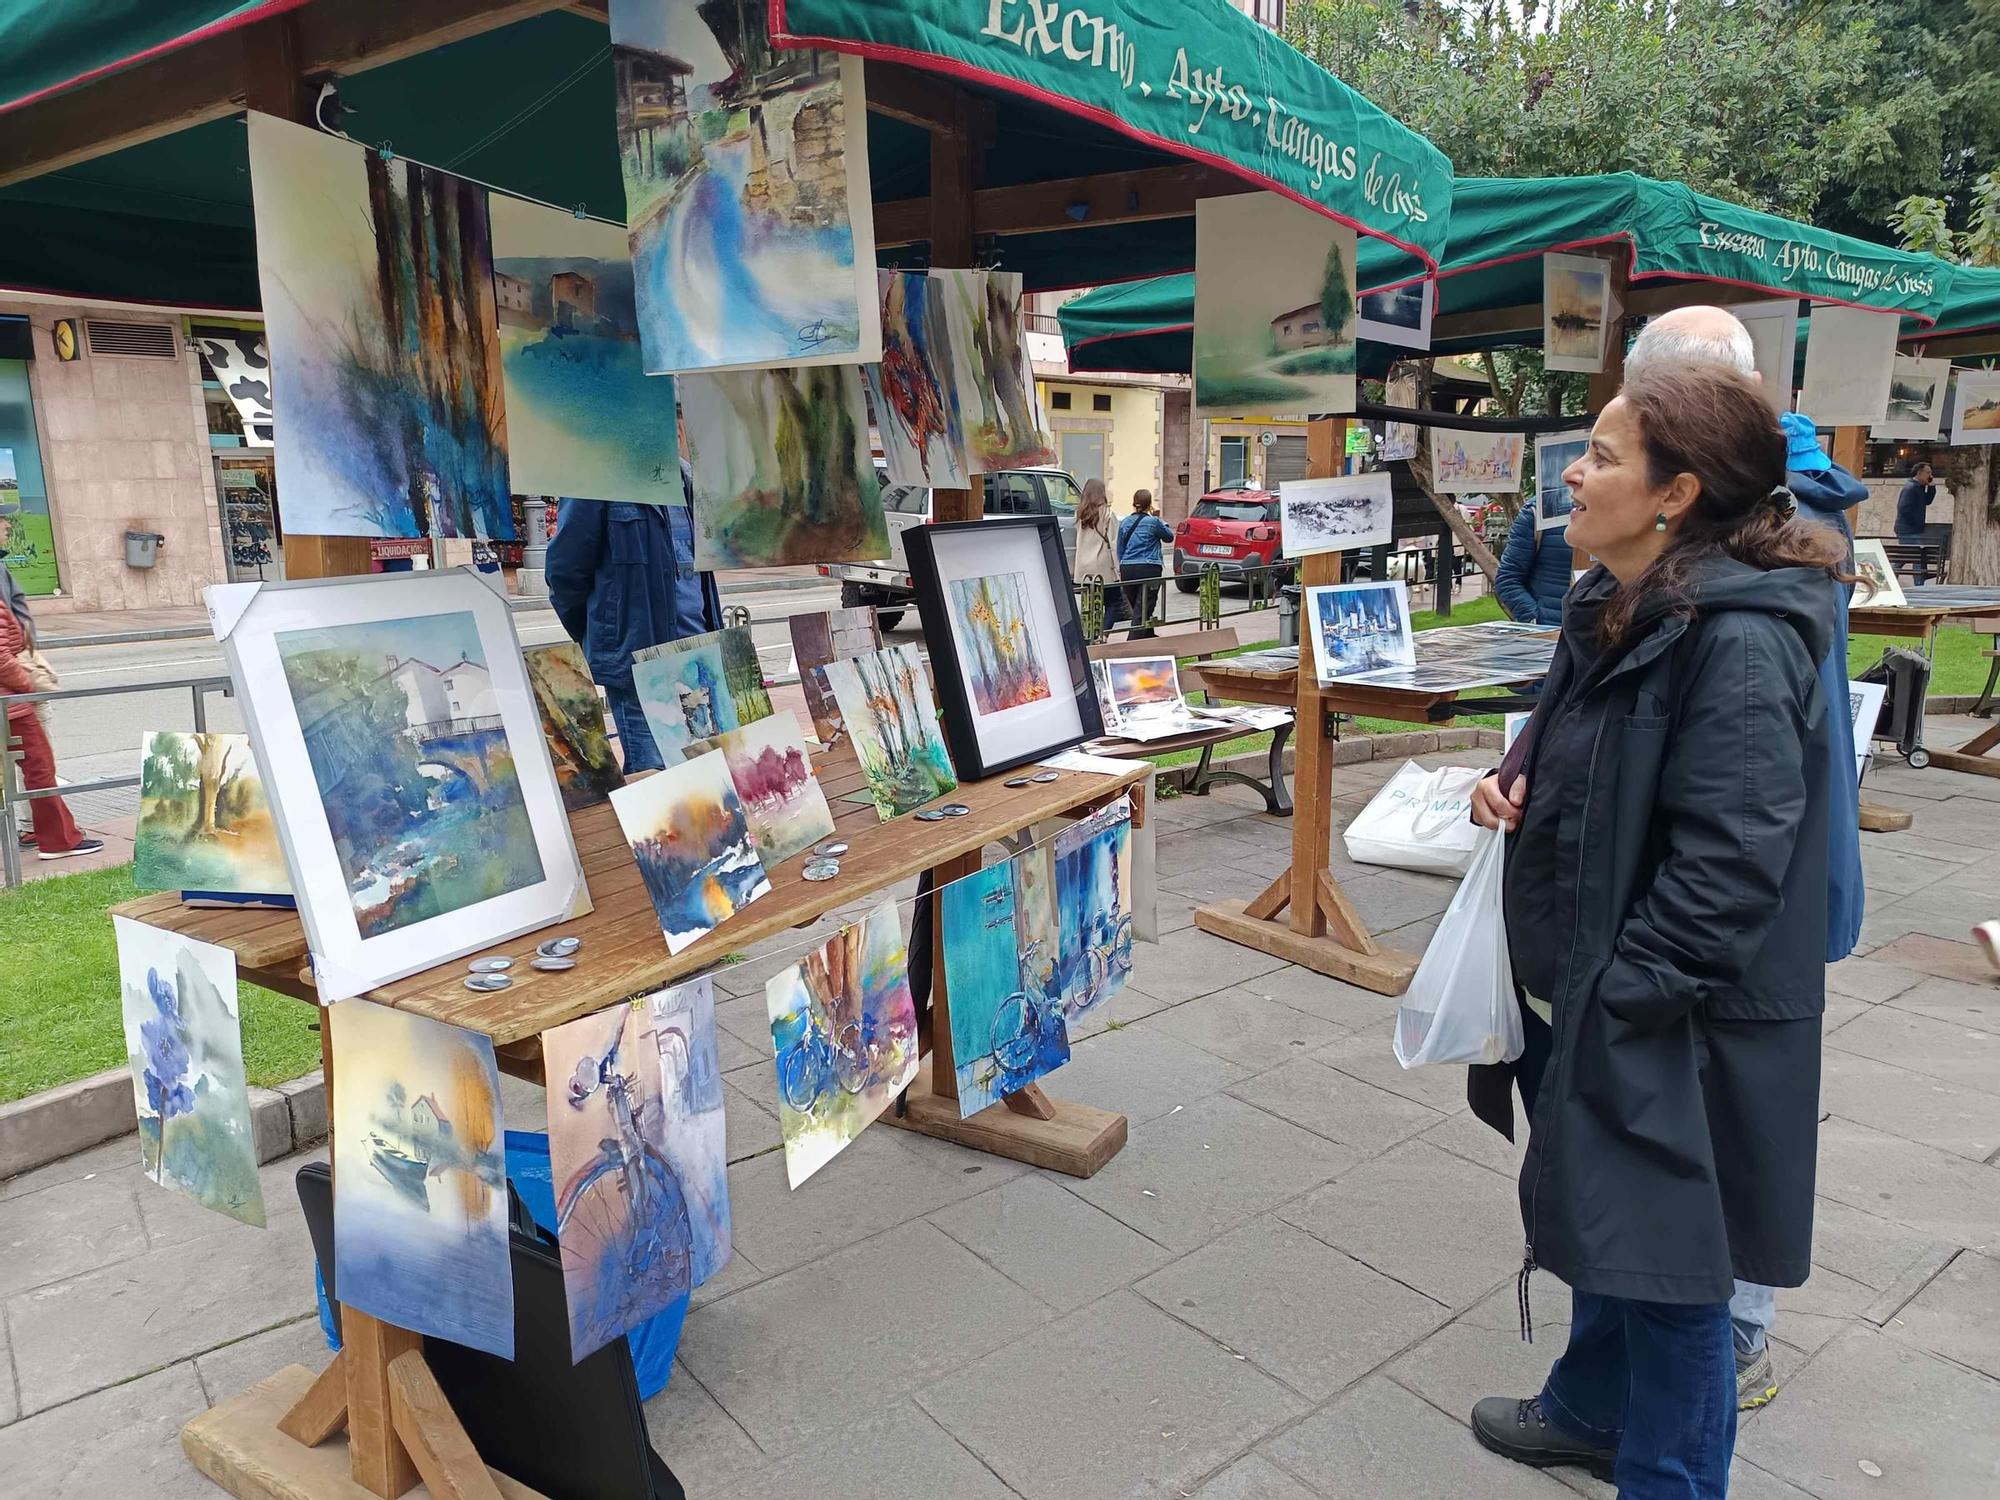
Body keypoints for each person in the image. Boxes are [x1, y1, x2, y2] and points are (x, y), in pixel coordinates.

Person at [1464, 363, 1841, 1498]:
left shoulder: (1736, 640)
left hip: (1665, 1017)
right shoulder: (1614, 601)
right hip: (1588, 989)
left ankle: (1669, 1479)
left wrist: (1624, 996)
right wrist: (1511, 780)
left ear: (1675, 494)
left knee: (1674, 1273)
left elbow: (1730, 863)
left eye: (1601, 455)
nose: (1573, 476)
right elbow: (1575, 746)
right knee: (1604, 1211)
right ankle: (1590, 1408)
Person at [1621, 306, 1867, 1408]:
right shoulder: (1784, 499)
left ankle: (1730, 1339)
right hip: (1767, 866)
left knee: (1733, 1115)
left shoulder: (1756, 540)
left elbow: (1741, 801)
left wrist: (1635, 979)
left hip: (1745, 890)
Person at [545, 465, 722, 773]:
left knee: (710, 776)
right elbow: (564, 574)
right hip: (641, 671)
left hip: (699, 660)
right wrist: (609, 636)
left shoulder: (686, 477)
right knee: (654, 782)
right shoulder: (595, 475)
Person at [0, 507, 99, 861]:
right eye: (2, 520)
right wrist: (26, 683)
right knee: (39, 766)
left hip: (11, 695)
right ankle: (57, 840)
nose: (8, 525)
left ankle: (46, 834)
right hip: (11, 699)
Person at [1494, 502, 1571, 625]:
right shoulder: (1538, 511)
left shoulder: (1603, 512)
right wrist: (1533, 619)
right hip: (1551, 627)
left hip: (1599, 630)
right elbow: (1508, 579)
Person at [1116, 489, 1174, 639]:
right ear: (1149, 504)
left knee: (1139, 607)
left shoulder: (1125, 522)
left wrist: (1122, 565)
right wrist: (1159, 518)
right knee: (1143, 608)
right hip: (1149, 567)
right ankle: (1132, 642)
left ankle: (1148, 635)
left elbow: (1120, 548)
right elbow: (1169, 537)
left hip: (1127, 568)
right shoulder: (1154, 522)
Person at [1073, 478, 1123, 629]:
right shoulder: (1107, 514)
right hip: (1102, 566)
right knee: (1114, 602)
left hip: (1084, 568)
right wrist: (1118, 569)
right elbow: (1113, 543)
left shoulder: (1080, 513)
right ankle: (1103, 634)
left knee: (1090, 606)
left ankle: (1091, 636)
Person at [1895, 462, 1935, 547]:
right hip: (1908, 530)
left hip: (1914, 530)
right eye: (1928, 473)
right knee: (1914, 552)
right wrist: (1914, 523)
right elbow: (1904, 509)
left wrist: (1931, 487)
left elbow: (1927, 501)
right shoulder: (1911, 488)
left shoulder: (1919, 487)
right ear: (1919, 473)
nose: (1930, 476)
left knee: (1915, 552)